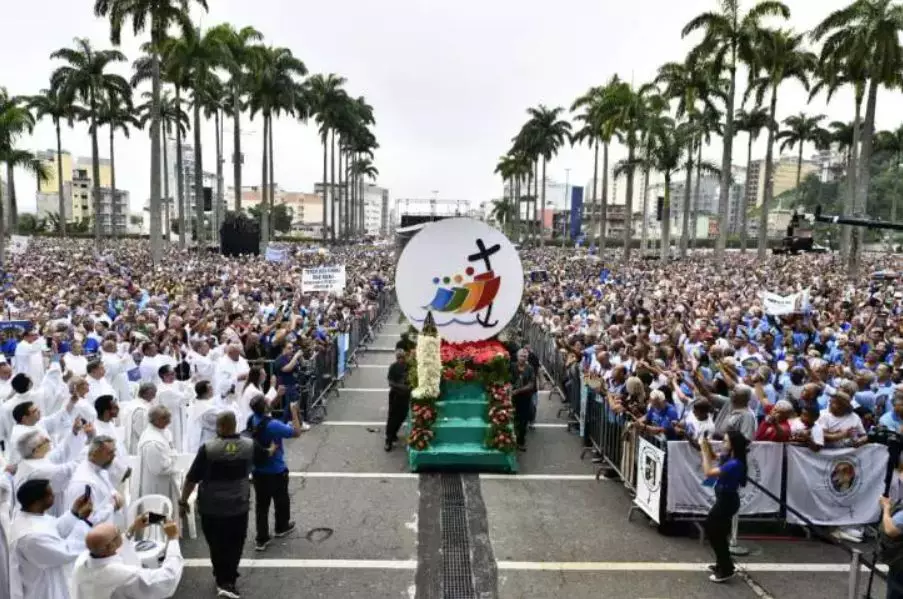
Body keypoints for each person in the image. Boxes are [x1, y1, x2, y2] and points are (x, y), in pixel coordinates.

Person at [180, 411, 254, 598]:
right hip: (238, 505)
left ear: (219, 427)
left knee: (216, 543)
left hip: (211, 507)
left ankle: (222, 577)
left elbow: (191, 479)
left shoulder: (208, 448)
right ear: (235, 425)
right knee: (236, 543)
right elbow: (262, 460)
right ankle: (229, 578)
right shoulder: (248, 445)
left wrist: (183, 501)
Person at [8, 478, 93, 599]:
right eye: (50, 494)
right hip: (41, 592)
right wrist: (83, 522)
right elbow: (66, 552)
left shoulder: (31, 516)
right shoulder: (30, 537)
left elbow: (54, 530)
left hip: (50, 582)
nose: (54, 495)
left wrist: (74, 513)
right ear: (37, 501)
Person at [70, 517, 184, 599]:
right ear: (111, 546)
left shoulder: (81, 561)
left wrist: (133, 529)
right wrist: (173, 538)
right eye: (118, 532)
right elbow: (168, 578)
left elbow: (112, 551)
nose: (121, 533)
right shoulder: (118, 574)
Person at [247, 394, 305, 551]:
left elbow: (266, 408)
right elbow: (297, 432)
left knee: (262, 505)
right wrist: (294, 411)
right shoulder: (273, 425)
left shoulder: (252, 419)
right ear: (265, 407)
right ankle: (281, 527)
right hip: (275, 469)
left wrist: (276, 397)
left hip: (258, 470)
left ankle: (262, 538)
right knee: (281, 500)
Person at [700, 429, 748, 583]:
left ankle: (726, 568)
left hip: (727, 501)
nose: (723, 443)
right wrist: (706, 447)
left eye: (726, 441)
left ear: (733, 445)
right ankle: (723, 563)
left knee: (714, 530)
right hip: (723, 498)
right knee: (717, 532)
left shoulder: (735, 464)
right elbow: (714, 457)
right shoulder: (728, 457)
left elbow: (709, 472)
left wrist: (703, 451)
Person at [65, 435, 126, 528]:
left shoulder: (100, 469)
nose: (114, 456)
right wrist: (113, 506)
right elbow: (87, 520)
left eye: (114, 452)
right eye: (110, 453)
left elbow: (109, 491)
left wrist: (115, 494)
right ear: (94, 453)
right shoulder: (84, 482)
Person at [136, 405, 180, 513]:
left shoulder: (161, 432)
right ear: (155, 420)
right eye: (165, 418)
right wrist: (176, 462)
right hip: (156, 485)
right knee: (157, 517)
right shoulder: (152, 442)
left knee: (166, 517)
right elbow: (158, 469)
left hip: (164, 482)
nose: (169, 421)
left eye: (169, 417)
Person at [385, 349, 410, 451]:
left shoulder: (408, 367)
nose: (401, 360)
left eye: (402, 358)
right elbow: (390, 382)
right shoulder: (393, 367)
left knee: (402, 415)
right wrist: (401, 387)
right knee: (392, 417)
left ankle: (394, 433)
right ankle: (388, 440)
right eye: (399, 358)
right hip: (395, 395)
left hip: (405, 396)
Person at [511, 349, 536, 452]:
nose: (523, 358)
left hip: (525, 398)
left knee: (523, 421)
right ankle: (511, 440)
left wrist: (519, 390)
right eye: (521, 356)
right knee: (512, 418)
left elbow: (531, 384)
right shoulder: (512, 366)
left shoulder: (530, 368)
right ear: (517, 356)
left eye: (525, 356)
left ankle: (521, 442)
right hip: (512, 396)